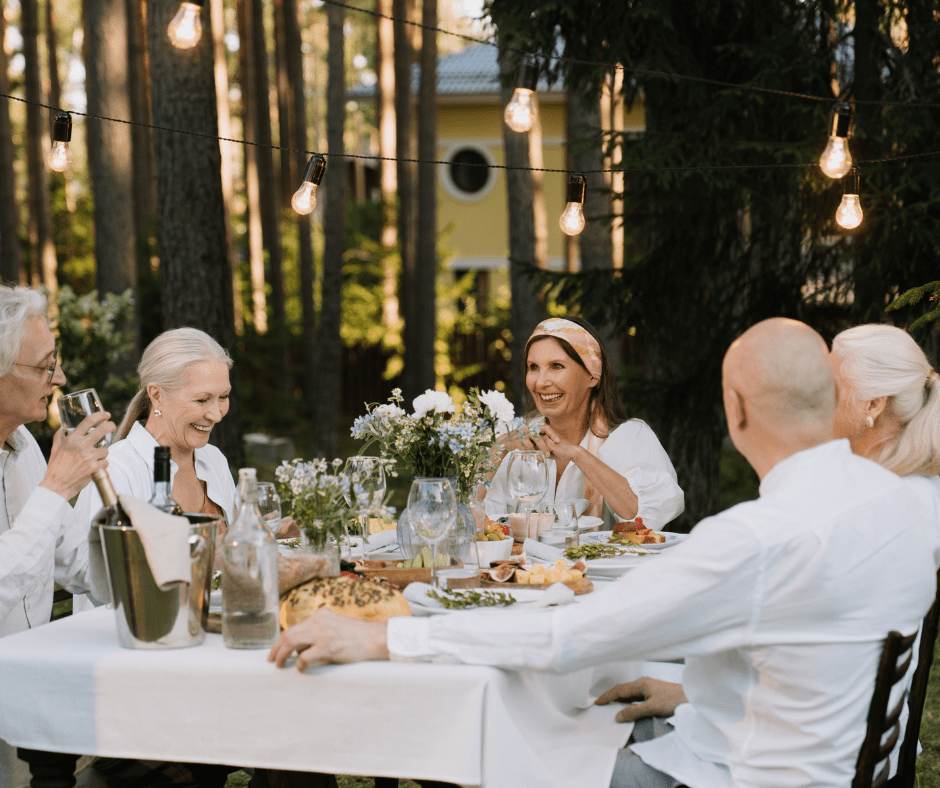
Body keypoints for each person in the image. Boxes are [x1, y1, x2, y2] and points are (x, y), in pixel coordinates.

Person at [269, 318, 940, 788]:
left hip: (732, 775)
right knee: (578, 724)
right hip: (831, 765)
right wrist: (684, 691)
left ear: (735, 411)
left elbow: (569, 636)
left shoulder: (756, 539)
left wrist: (387, 637)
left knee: (509, 759)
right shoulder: (912, 504)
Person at [0, 284, 115, 786]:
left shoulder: (23, 446)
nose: (61, 379)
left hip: (32, 694)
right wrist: (57, 487)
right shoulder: (41, 466)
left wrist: (156, 550)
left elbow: (84, 568)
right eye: (47, 366)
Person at [484, 316, 684, 530]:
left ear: (592, 376)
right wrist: (499, 449)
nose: (540, 382)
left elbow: (643, 520)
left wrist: (578, 455)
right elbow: (468, 515)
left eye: (556, 366)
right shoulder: (511, 437)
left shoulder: (629, 437)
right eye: (533, 367)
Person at [831, 323, 940, 480]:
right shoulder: (874, 476)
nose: (818, 396)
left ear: (873, 405)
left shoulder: (879, 488)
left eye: (830, 387)